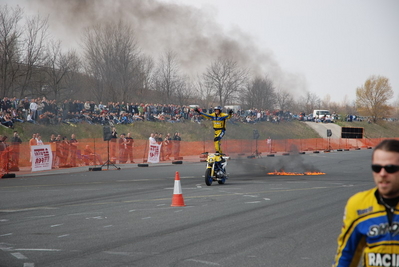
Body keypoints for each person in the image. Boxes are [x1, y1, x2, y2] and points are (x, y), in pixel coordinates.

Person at [332, 139, 399, 266]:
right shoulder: (358, 204)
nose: (382, 174)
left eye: (390, 168)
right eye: (377, 168)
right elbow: (346, 255)